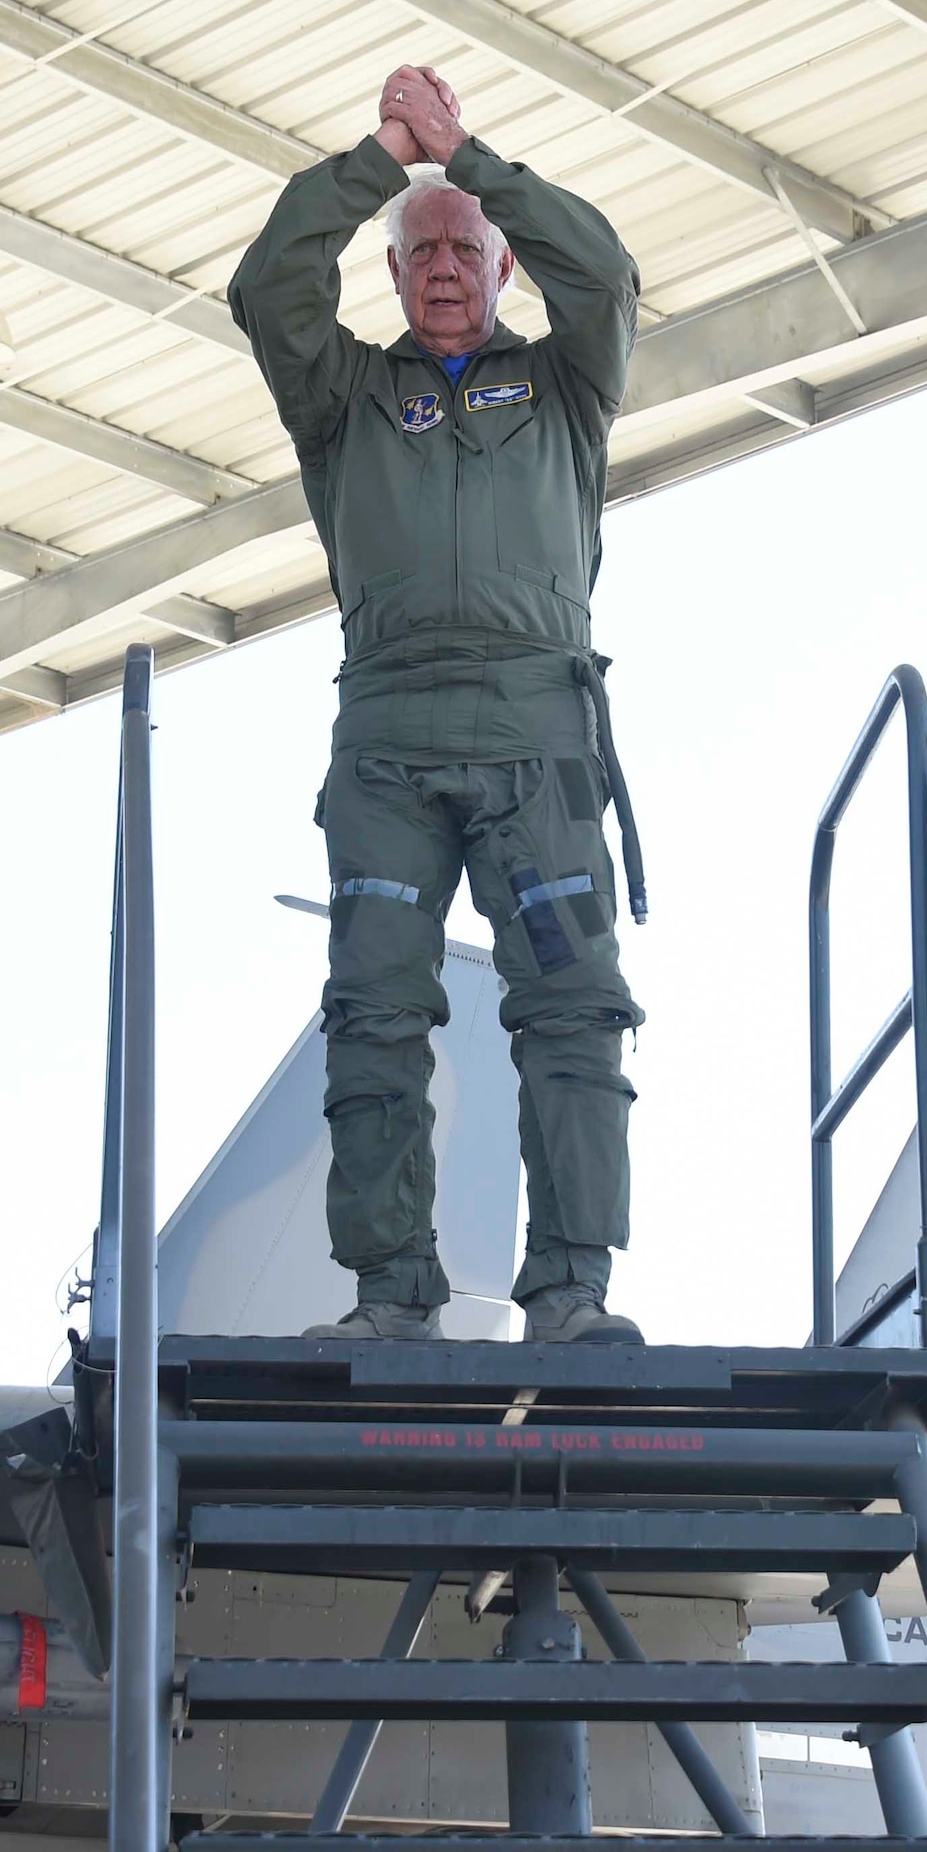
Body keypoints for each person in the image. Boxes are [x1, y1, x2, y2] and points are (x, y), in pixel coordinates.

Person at [228, 65, 646, 1346]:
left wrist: (472, 163)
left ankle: (572, 1289)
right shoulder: (346, 399)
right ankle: (391, 1290)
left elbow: (609, 277)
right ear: (395, 273)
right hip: (391, 742)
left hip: (540, 737)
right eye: (424, 252)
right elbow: (266, 291)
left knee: (572, 1008)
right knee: (375, 1010)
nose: (448, 266)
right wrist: (382, 162)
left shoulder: (569, 387)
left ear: (499, 266)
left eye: (467, 247)